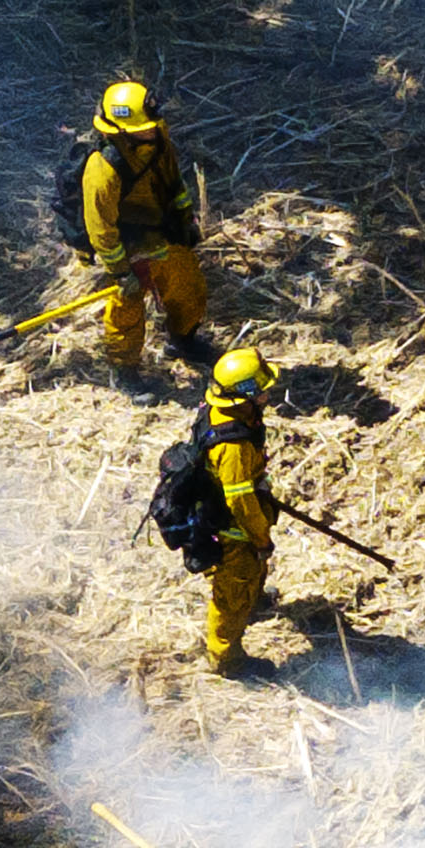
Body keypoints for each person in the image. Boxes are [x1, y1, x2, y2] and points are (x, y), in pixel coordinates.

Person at [84, 80, 217, 378]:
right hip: (127, 247)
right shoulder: (102, 169)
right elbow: (100, 228)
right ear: (119, 133)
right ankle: (125, 370)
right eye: (143, 128)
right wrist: (120, 272)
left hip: (163, 232)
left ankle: (184, 341)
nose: (153, 130)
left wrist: (185, 220)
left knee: (189, 289)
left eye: (154, 123)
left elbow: (173, 181)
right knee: (126, 312)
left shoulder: (157, 137)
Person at [199, 346, 280, 677]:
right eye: (262, 391)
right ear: (244, 395)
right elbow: (241, 503)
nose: (267, 395)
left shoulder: (223, 413)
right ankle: (226, 659)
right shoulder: (232, 447)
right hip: (236, 531)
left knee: (253, 573)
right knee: (232, 593)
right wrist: (261, 538)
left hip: (243, 519)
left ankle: (255, 600)